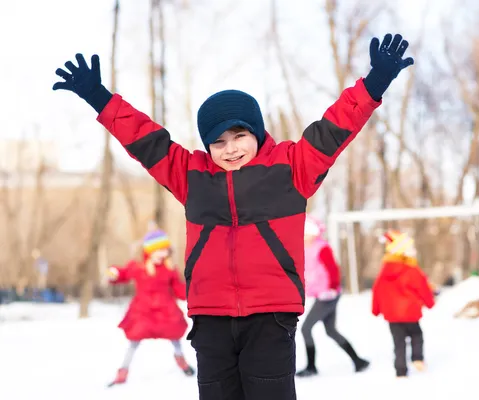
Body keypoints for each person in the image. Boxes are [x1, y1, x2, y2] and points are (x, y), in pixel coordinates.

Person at [53, 32, 414, 400]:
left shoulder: (291, 168)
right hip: (211, 320)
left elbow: (335, 128)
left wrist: (374, 83)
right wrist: (99, 97)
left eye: (239, 135)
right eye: (218, 141)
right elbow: (146, 141)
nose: (230, 149)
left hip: (271, 316)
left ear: (256, 132)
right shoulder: (191, 175)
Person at [106, 229, 195, 386]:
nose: (163, 253)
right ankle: (123, 371)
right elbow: (124, 274)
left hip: (166, 310)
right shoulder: (139, 267)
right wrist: (114, 274)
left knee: (175, 336)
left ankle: (182, 361)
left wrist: (193, 290)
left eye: (165, 250)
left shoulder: (169, 269)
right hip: (143, 311)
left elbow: (179, 290)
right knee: (134, 340)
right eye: (159, 250)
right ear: (150, 250)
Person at [296, 215, 369, 377]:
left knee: (306, 328)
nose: (305, 237)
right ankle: (358, 361)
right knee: (331, 331)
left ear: (315, 234)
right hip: (321, 294)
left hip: (327, 295)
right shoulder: (305, 248)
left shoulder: (322, 248)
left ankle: (311, 367)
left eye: (307, 234)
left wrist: (331, 288)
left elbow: (333, 270)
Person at [371, 230, 435, 379]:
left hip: (392, 315)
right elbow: (422, 287)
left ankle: (400, 371)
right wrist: (430, 302)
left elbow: (377, 290)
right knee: (416, 335)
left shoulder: (384, 270)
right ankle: (417, 359)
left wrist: (375, 309)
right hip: (410, 312)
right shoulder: (412, 269)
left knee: (398, 342)